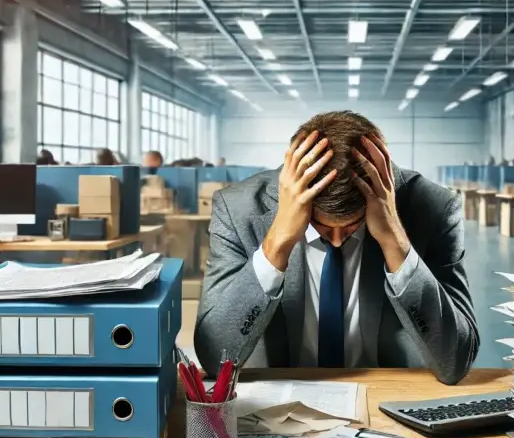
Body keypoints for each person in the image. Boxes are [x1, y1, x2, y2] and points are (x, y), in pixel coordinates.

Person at [195, 110, 479, 385]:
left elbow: (455, 363)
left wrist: (395, 242)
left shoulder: (436, 209)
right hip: (279, 402)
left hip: (387, 395)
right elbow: (213, 357)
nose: (335, 240)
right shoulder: (237, 209)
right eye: (321, 227)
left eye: (351, 226)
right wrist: (277, 243)